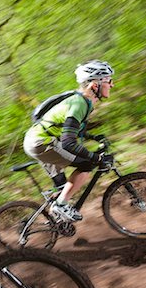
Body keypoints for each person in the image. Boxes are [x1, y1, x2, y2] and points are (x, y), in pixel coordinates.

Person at [23, 60, 115, 222]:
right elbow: (68, 143)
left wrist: (93, 137)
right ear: (95, 85)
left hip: (41, 140)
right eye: (108, 81)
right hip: (41, 143)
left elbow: (70, 129)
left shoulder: (82, 101)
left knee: (63, 186)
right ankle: (60, 206)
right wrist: (97, 158)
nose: (112, 85)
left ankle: (53, 221)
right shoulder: (79, 103)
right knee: (86, 164)